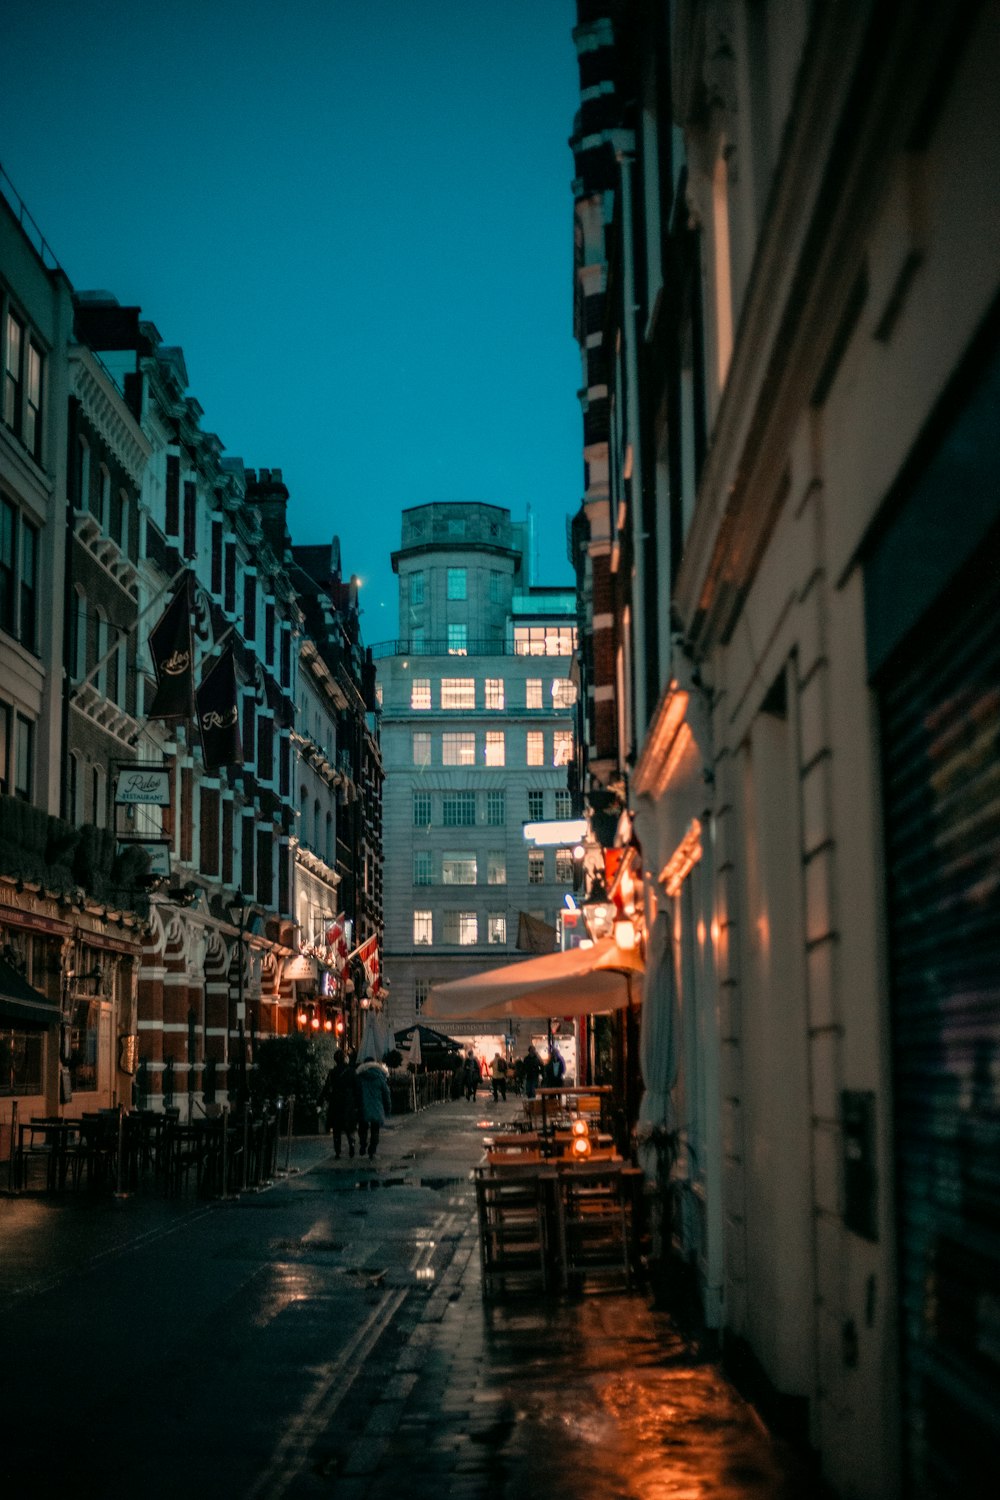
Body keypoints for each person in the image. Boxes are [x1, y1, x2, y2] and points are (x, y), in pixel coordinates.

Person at [318, 1048, 358, 1159]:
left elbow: (326, 1088)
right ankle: (352, 1143)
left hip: (335, 1102)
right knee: (349, 1126)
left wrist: (320, 1102)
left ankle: (338, 1151)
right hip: (348, 1102)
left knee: (337, 1128)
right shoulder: (351, 1071)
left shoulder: (332, 1073)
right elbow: (356, 1088)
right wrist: (357, 1102)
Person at [354, 1057, 392, 1161]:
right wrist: (388, 1107)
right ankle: (372, 1150)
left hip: (363, 1105)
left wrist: (355, 1106)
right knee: (375, 1129)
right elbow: (386, 1093)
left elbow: (356, 1093)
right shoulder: (380, 1077)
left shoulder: (360, 1077)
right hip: (376, 1106)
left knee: (362, 1127)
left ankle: (363, 1144)